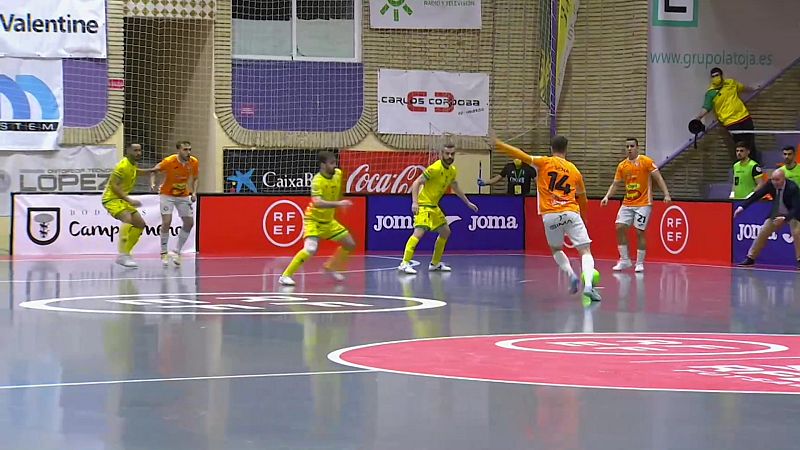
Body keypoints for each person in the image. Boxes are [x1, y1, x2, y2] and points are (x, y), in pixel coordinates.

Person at [495, 135, 601, 302]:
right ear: (566, 149)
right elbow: (583, 198)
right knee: (585, 251)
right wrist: (584, 217)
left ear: (552, 148)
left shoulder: (544, 162)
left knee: (556, 250)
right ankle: (588, 286)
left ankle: (570, 274)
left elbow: (521, 155)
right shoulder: (574, 170)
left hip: (550, 215)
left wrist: (501, 145)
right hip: (571, 212)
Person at [398, 143, 479, 274]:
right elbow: (416, 182)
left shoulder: (452, 170)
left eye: (452, 154)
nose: (450, 156)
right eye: (447, 154)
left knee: (446, 232)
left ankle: (435, 263)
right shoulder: (434, 168)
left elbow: (455, 187)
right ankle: (405, 263)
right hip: (424, 205)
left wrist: (467, 202)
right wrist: (415, 203)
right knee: (418, 233)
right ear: (441, 154)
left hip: (434, 206)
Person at [279, 151, 356, 286]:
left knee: (350, 244)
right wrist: (338, 204)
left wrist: (340, 201)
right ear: (322, 165)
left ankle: (331, 266)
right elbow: (318, 202)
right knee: (310, 249)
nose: (335, 166)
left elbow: (337, 191)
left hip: (329, 222)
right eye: (331, 163)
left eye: (335, 163)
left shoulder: (338, 174)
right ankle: (285, 276)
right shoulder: (317, 181)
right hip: (313, 220)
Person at [600, 137, 672, 272]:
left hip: (644, 203)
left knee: (639, 231)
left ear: (637, 147)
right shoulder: (622, 166)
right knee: (619, 227)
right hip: (627, 202)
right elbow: (615, 184)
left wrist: (666, 194)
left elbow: (658, 178)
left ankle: (639, 263)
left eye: (632, 146)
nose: (629, 149)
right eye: (627, 147)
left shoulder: (646, 162)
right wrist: (607, 196)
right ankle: (624, 260)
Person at [102, 143, 156, 268]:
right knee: (127, 219)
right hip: (111, 199)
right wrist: (128, 199)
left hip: (122, 200)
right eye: (135, 150)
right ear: (128, 151)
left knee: (140, 224)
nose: (138, 153)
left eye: (140, 150)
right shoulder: (122, 166)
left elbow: (136, 172)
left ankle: (126, 253)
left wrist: (151, 171)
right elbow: (113, 186)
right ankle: (122, 255)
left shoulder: (132, 164)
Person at [735, 169, 800, 269]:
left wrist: (785, 218)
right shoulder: (771, 184)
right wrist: (742, 207)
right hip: (777, 212)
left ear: (784, 179)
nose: (775, 182)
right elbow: (757, 195)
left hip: (792, 213)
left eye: (777, 180)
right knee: (764, 231)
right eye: (773, 179)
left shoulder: (793, 187)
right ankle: (750, 258)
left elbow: (796, 208)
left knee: (796, 232)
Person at [695, 67, 760, 162]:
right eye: (713, 76)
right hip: (730, 122)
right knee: (740, 144)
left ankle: (755, 164)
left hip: (744, 116)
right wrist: (698, 117)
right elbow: (706, 108)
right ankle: (742, 164)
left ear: (721, 75)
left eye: (717, 75)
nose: (715, 78)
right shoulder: (710, 93)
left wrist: (754, 88)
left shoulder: (731, 83)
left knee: (750, 141)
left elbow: (743, 88)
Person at [150, 140, 199, 266]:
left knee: (189, 223)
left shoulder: (193, 162)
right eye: (185, 150)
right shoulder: (169, 161)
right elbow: (154, 171)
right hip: (167, 195)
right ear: (178, 150)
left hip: (183, 195)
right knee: (167, 222)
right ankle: (163, 252)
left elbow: (195, 178)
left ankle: (177, 251)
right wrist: (153, 184)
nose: (188, 152)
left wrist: (193, 192)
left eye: (189, 149)